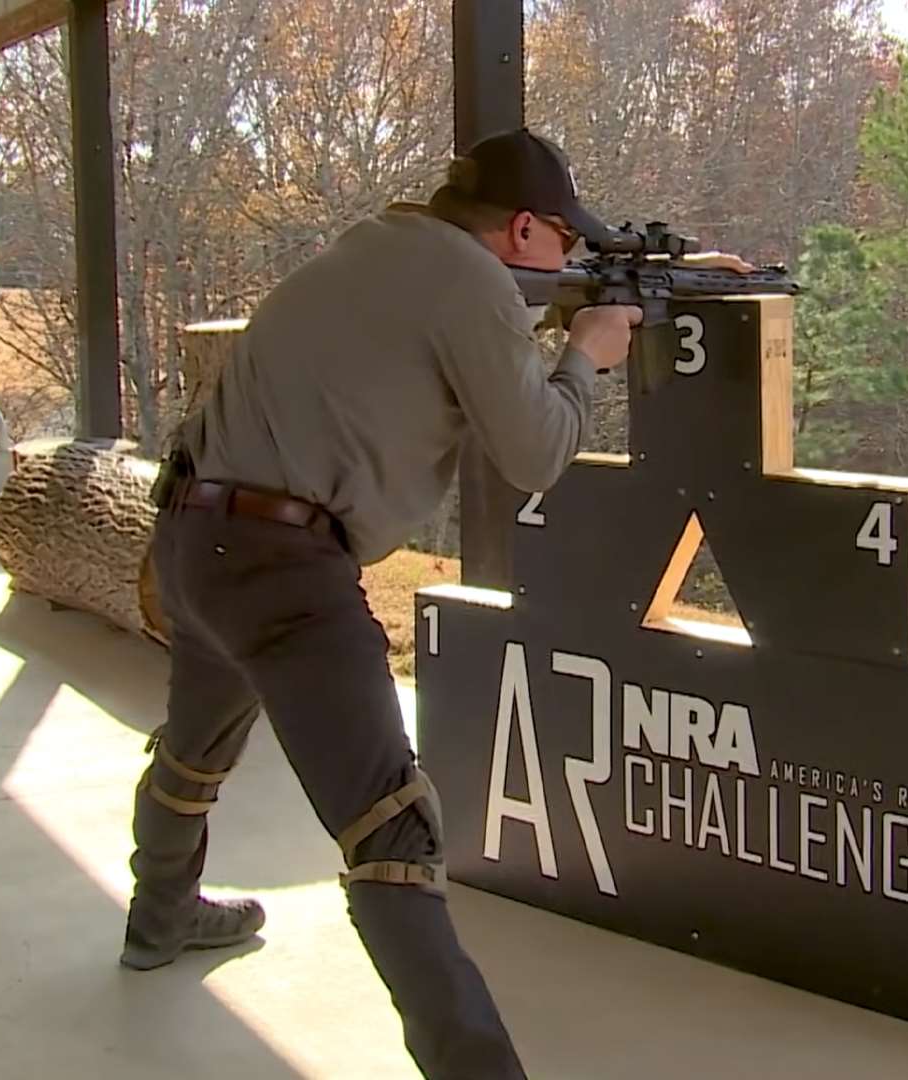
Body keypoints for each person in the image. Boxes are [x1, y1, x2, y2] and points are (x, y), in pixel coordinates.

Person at [120, 127, 741, 1079]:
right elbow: (534, 454)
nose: (571, 257)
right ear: (522, 228)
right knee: (390, 828)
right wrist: (586, 357)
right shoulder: (474, 286)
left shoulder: (375, 246)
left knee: (193, 750)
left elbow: (472, 320)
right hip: (286, 575)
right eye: (563, 242)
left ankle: (159, 917)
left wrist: (671, 278)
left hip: (192, 541)